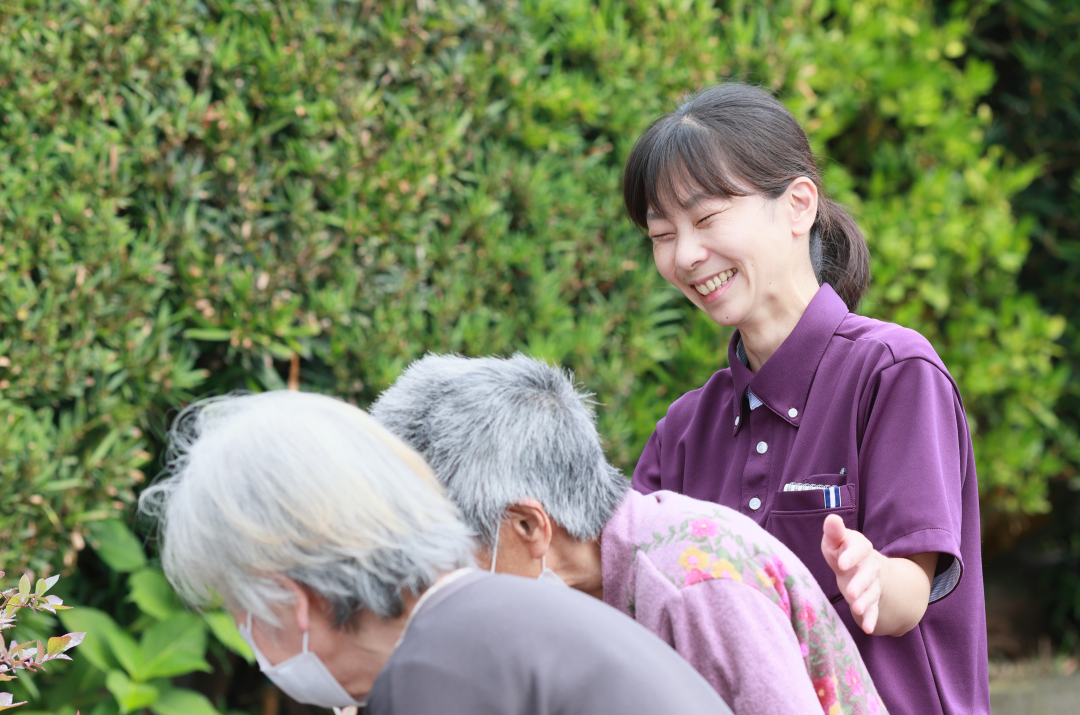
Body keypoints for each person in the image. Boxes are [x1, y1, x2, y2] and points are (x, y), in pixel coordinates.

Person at [620, 83, 989, 715]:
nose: (685, 255)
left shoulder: (893, 372)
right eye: (662, 234)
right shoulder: (682, 432)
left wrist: (870, 575)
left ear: (798, 205)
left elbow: (908, 593)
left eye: (706, 219)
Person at [138, 390, 734, 715]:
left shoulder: (436, 671)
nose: (248, 641)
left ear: (290, 601)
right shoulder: (498, 617)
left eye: (237, 611)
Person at [371, 353, 885, 715]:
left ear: (529, 527)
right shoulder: (595, 586)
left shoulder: (694, 584)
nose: (433, 578)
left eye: (444, 549)